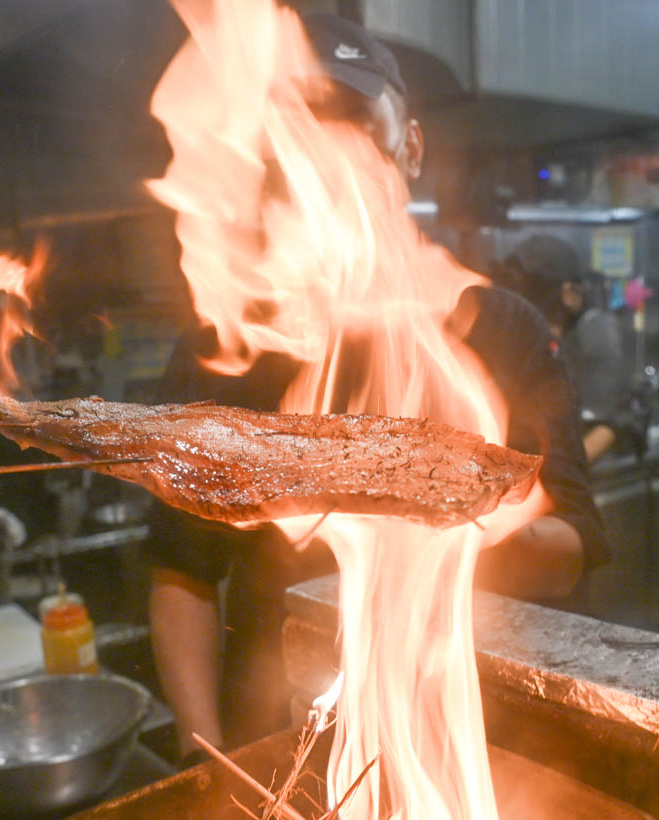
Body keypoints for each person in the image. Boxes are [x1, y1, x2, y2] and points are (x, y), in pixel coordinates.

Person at [146, 15, 609, 760]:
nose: (332, 154)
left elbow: (572, 549)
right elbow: (182, 573)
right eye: (304, 126)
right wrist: (205, 760)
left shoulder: (506, 328)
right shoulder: (228, 344)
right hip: (282, 734)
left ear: (410, 146)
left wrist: (442, 520)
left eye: (357, 122)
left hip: (465, 735)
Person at [496, 235, 631, 464]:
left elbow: (615, 421)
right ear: (568, 293)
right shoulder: (511, 346)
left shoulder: (587, 342)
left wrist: (557, 470)